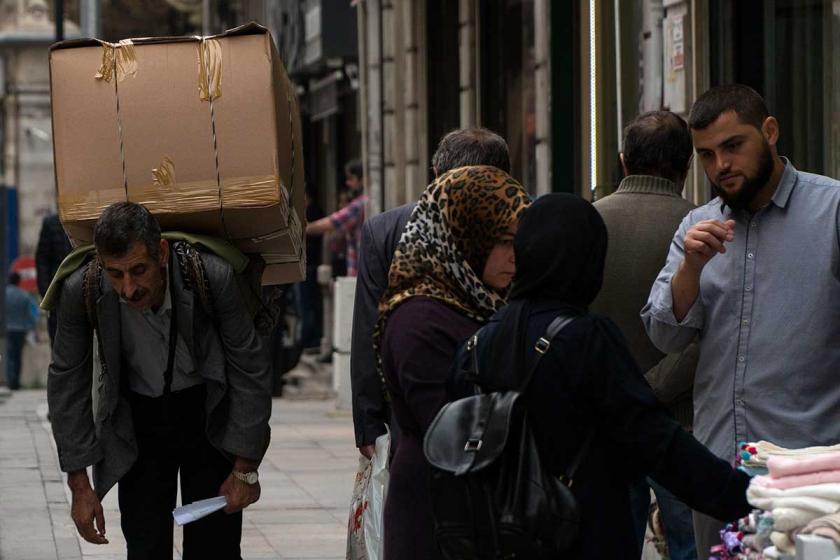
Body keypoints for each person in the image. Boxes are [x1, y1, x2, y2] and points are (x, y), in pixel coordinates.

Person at [452, 193, 751, 559]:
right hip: (582, 537)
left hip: (496, 541)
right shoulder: (587, 339)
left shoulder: (477, 345)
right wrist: (747, 496)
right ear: (588, 260)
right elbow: (657, 442)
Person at [641, 84, 840, 555]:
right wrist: (690, 268)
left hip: (807, 471)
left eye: (733, 146)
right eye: (707, 155)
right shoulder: (697, 226)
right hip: (719, 469)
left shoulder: (830, 210)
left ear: (769, 132)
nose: (721, 166)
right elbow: (663, 334)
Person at [47, 202, 272, 559]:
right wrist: (79, 483)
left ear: (162, 253)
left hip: (206, 413)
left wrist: (245, 469)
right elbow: (66, 381)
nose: (128, 288)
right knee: (145, 543)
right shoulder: (83, 289)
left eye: (138, 271)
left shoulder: (213, 276)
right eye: (115, 274)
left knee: (215, 546)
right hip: (139, 420)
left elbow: (250, 368)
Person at [378, 165, 529, 560]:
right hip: (437, 510)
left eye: (519, 241)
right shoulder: (420, 318)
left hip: (476, 506)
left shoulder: (481, 298)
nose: (514, 256)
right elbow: (448, 430)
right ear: (465, 237)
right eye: (502, 241)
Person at [350, 127, 513, 458]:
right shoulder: (523, 223)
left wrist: (368, 421)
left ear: (436, 174)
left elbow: (370, 327)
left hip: (411, 396)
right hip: (499, 401)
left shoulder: (385, 229)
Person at [590, 110, 700, 559]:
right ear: (686, 166)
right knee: (690, 543)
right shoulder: (703, 226)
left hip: (605, 418)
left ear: (622, 160)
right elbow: (706, 334)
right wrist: (653, 388)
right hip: (679, 418)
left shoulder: (588, 222)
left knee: (611, 540)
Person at [305, 159, 367, 277]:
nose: (348, 183)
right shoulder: (362, 203)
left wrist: (304, 229)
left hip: (358, 272)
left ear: (362, 179)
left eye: (351, 179)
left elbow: (333, 222)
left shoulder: (359, 205)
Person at [36, 213, 73, 345]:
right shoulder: (51, 223)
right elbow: (42, 260)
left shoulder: (84, 218)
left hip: (80, 288)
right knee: (59, 340)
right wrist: (46, 293)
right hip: (58, 292)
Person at [5, 271, 38, 390]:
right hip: (21, 329)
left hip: (7, 329)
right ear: (19, 281)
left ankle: (10, 381)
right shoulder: (24, 295)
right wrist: (32, 329)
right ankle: (16, 382)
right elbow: (33, 314)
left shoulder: (4, 294)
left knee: (9, 356)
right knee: (18, 356)